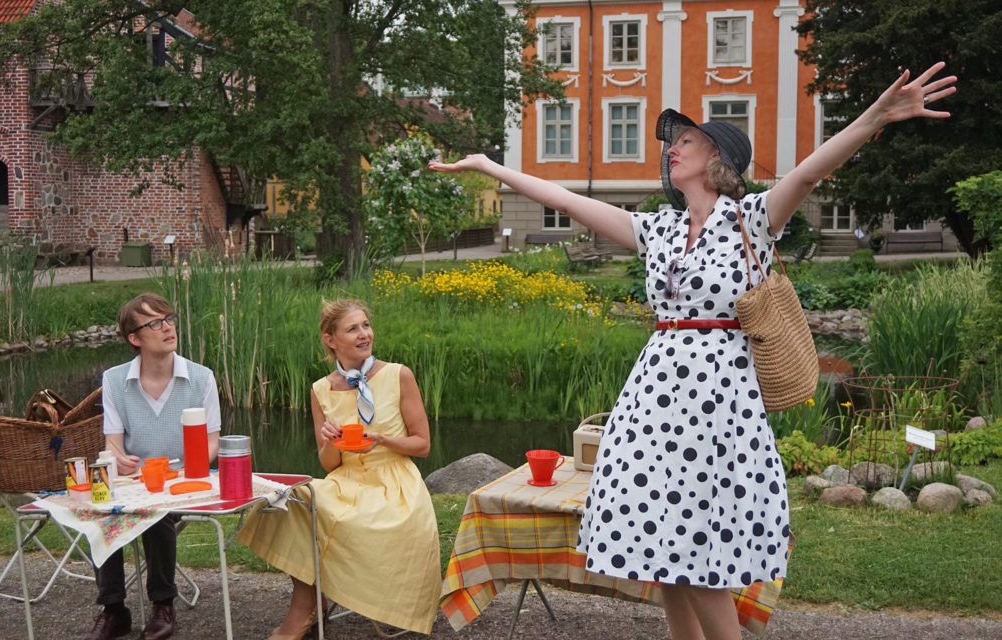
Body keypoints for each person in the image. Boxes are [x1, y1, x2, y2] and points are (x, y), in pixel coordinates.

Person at [431, 63, 956, 640]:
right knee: (666, 559)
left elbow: (809, 173)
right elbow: (565, 198)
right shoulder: (658, 229)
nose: (670, 151)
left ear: (716, 158)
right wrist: (489, 166)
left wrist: (875, 117)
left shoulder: (750, 219)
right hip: (653, 402)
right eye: (671, 144)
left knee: (702, 557)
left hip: (718, 403)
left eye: (684, 141)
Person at [237, 298, 441, 640]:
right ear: (331, 340)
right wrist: (330, 439)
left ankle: (306, 612)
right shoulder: (321, 389)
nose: (364, 334)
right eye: (353, 329)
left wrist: (381, 440)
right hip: (345, 480)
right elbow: (329, 464)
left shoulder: (398, 375)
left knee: (322, 512)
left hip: (393, 483)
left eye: (365, 325)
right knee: (294, 499)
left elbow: (422, 445)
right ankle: (307, 606)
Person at [81, 293, 221, 640]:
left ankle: (163, 605)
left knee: (155, 510)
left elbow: (213, 443)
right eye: (155, 323)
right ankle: (114, 610)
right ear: (135, 338)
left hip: (185, 480)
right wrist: (119, 460)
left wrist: (187, 471)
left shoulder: (202, 378)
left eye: (169, 318)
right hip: (134, 482)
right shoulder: (114, 380)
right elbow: (111, 444)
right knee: (103, 507)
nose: (168, 327)